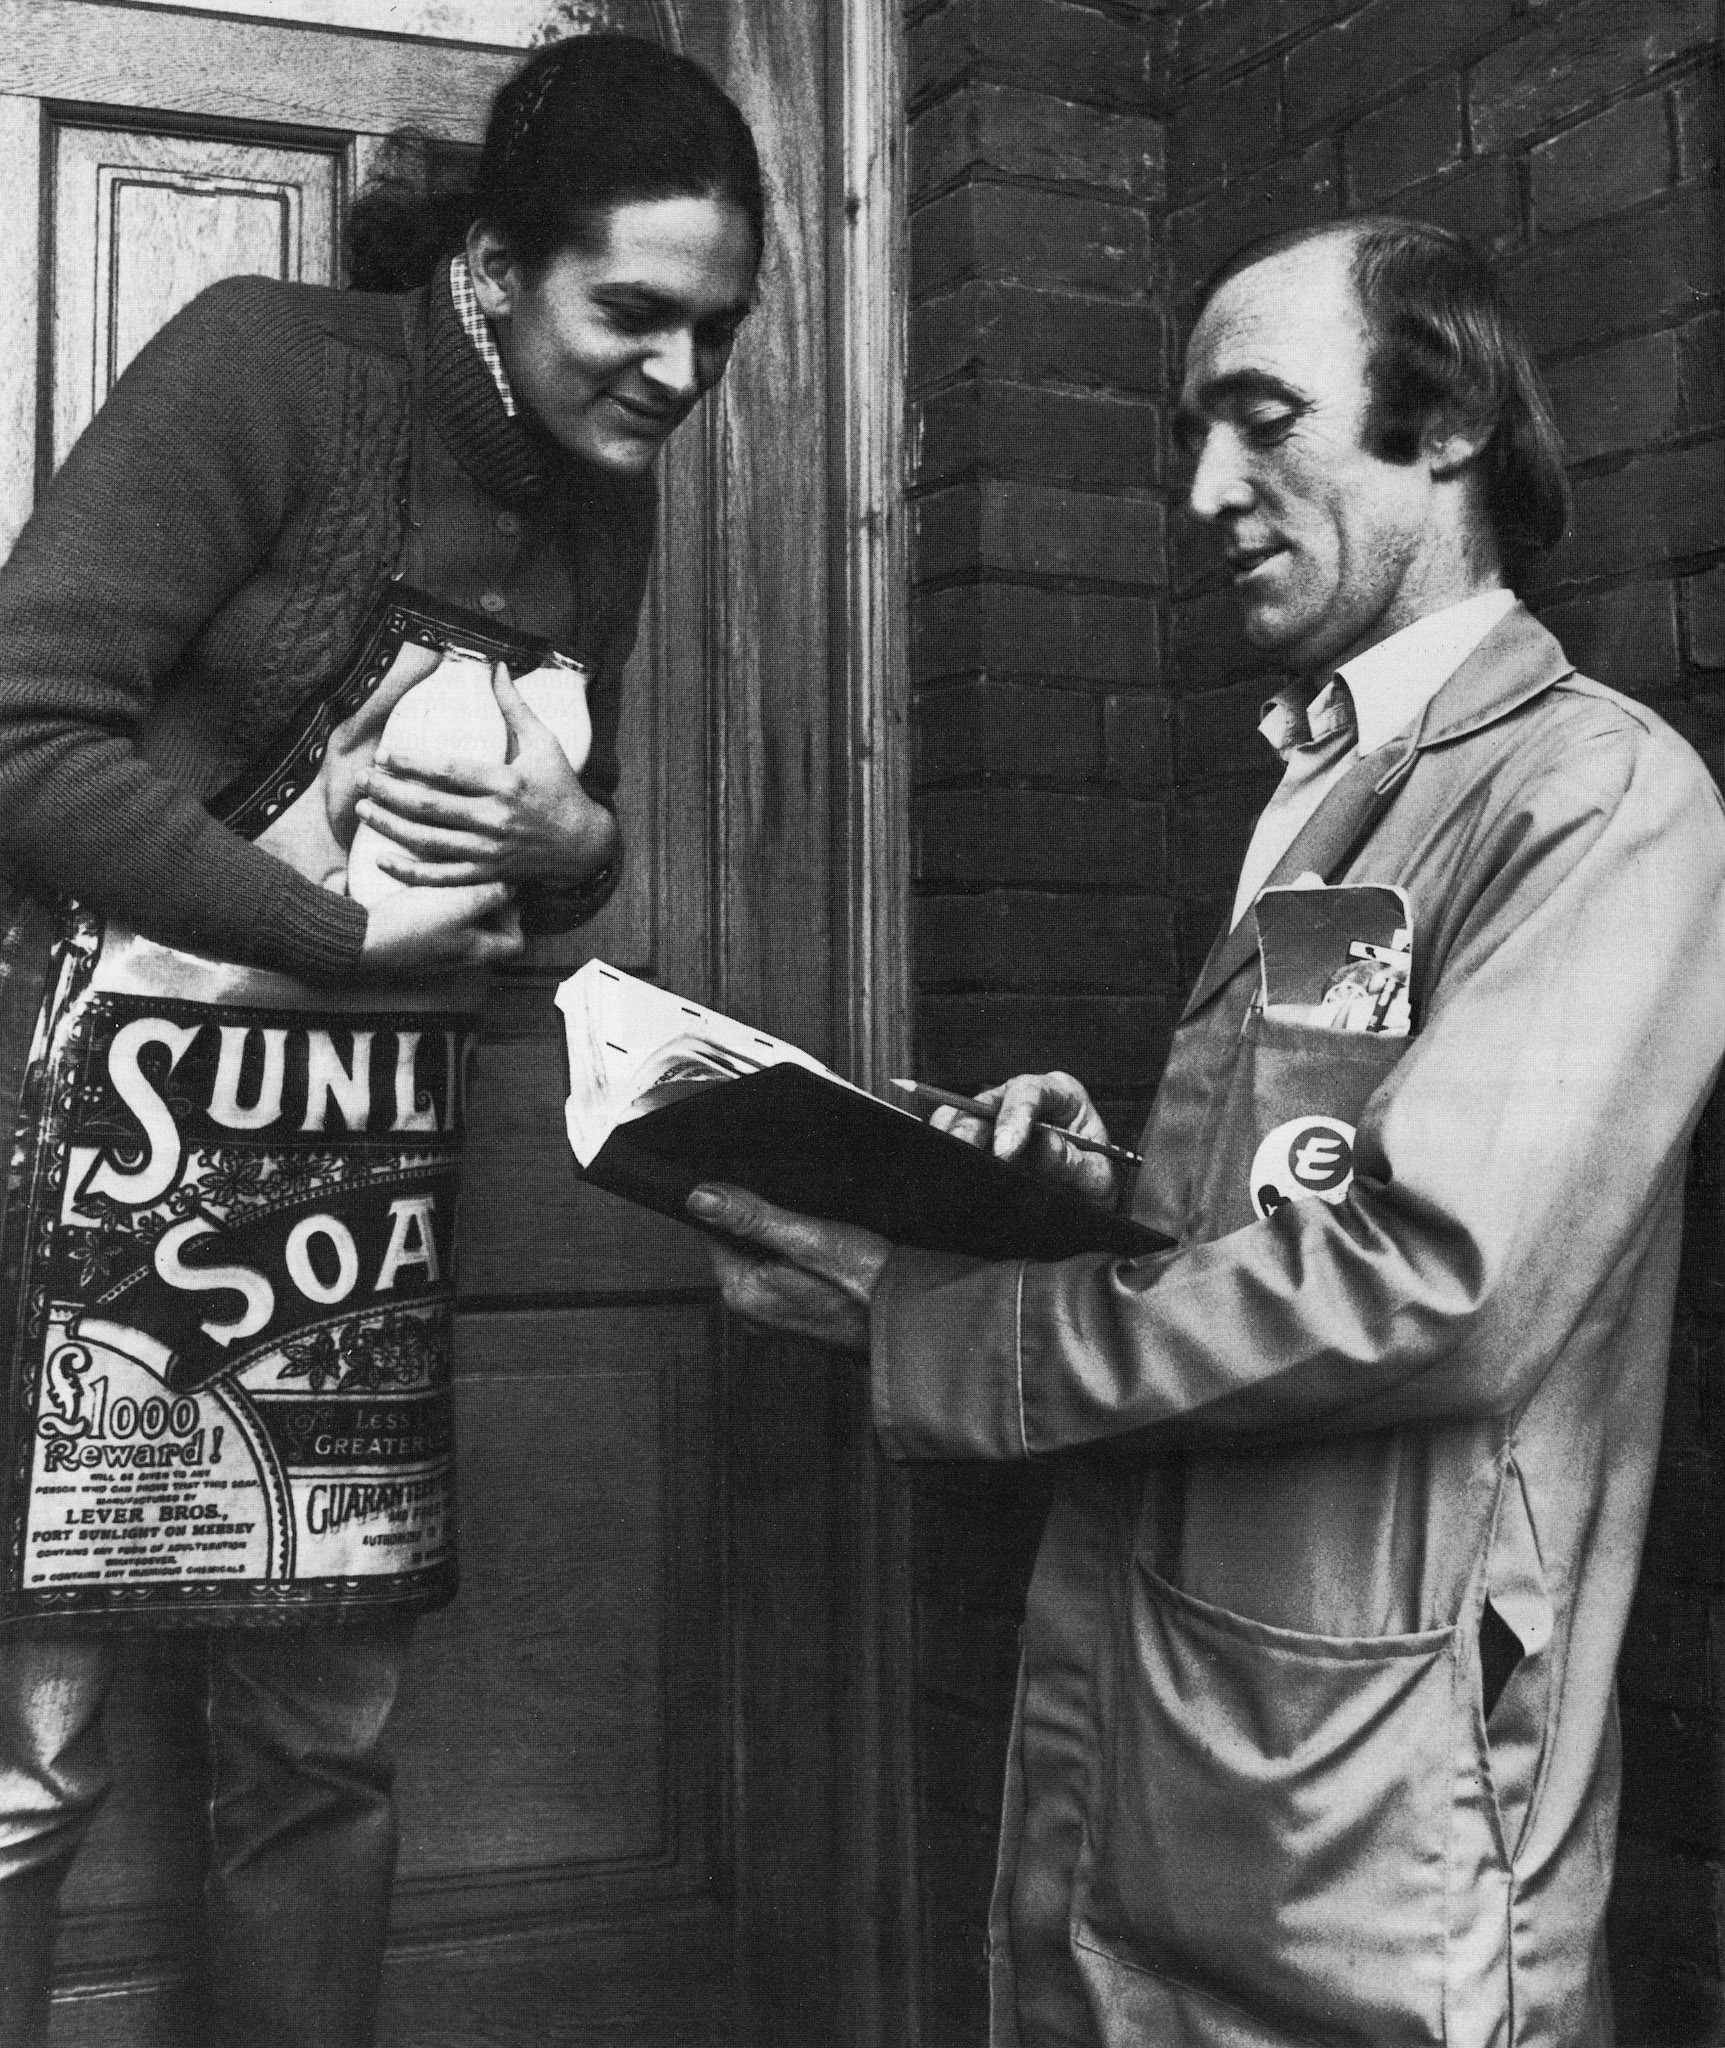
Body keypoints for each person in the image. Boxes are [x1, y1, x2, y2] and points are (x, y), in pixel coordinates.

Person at [692, 217, 1725, 2046]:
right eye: (1192, 431)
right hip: (1183, 1746)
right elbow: (1310, 1190)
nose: (1200, 489)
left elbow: (1438, 1281)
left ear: (1453, 415)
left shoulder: (1601, 797)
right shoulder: (1336, 779)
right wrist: (1086, 1193)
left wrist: (939, 1321)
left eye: (1259, 419)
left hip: (1379, 1832)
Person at [0, 31, 760, 2048]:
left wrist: (579, 844)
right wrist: (340, 929)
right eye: (634, 312)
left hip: (349, 1186)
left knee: (321, 1748)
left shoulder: (604, 510)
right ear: (497, 265)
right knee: (28, 1759)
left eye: (716, 330)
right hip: (85, 1155)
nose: (677, 376)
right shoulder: (272, 367)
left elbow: (539, 880)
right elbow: (20, 740)